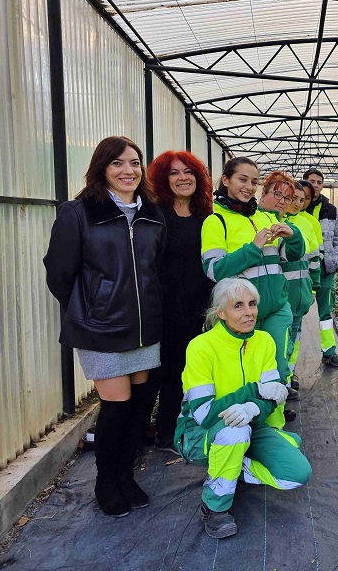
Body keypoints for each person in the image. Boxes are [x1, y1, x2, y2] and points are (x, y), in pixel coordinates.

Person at [44, 136, 166, 517]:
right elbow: (59, 273)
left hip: (144, 328)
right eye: (117, 163)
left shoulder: (151, 213)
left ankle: (126, 476)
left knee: (139, 407)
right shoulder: (78, 213)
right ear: (102, 168)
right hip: (102, 330)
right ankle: (105, 481)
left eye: (134, 162)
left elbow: (154, 268)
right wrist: (90, 310)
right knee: (116, 407)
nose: (128, 170)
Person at [175, 277, 312, 539]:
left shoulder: (264, 341)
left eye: (252, 304)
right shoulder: (201, 347)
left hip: (253, 423)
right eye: (238, 306)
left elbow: (274, 395)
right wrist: (253, 391)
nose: (249, 312)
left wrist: (251, 408)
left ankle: (232, 465)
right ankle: (215, 507)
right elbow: (204, 413)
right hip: (198, 433)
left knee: (298, 474)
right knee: (233, 434)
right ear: (221, 313)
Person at [201, 160, 304, 428]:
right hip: (242, 313)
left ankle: (274, 427)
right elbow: (214, 269)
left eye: (253, 182)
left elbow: (291, 254)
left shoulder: (267, 218)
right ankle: (245, 428)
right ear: (225, 180)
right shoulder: (216, 221)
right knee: (244, 373)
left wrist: (293, 236)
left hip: (276, 309)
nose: (248, 187)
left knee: (278, 369)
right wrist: (253, 247)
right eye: (242, 180)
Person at [146, 150, 214, 452]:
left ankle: (177, 429)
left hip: (198, 307)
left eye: (188, 172)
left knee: (187, 370)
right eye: (174, 173)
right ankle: (151, 434)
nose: (182, 178)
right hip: (162, 307)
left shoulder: (207, 216)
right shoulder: (155, 214)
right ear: (163, 179)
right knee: (160, 374)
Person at [304, 168, 338, 367]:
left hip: (325, 269)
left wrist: (337, 260)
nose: (315, 185)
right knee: (295, 314)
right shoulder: (296, 205)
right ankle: (288, 362)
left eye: (319, 182)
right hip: (302, 270)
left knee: (326, 313)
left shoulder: (331, 210)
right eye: (311, 181)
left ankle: (329, 352)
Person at [283, 180, 321, 385]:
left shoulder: (307, 224)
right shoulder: (276, 220)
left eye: (301, 199)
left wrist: (314, 287)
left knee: (295, 337)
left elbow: (314, 258)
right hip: (282, 295)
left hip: (300, 294)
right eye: (292, 198)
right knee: (281, 340)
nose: (297, 203)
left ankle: (288, 379)